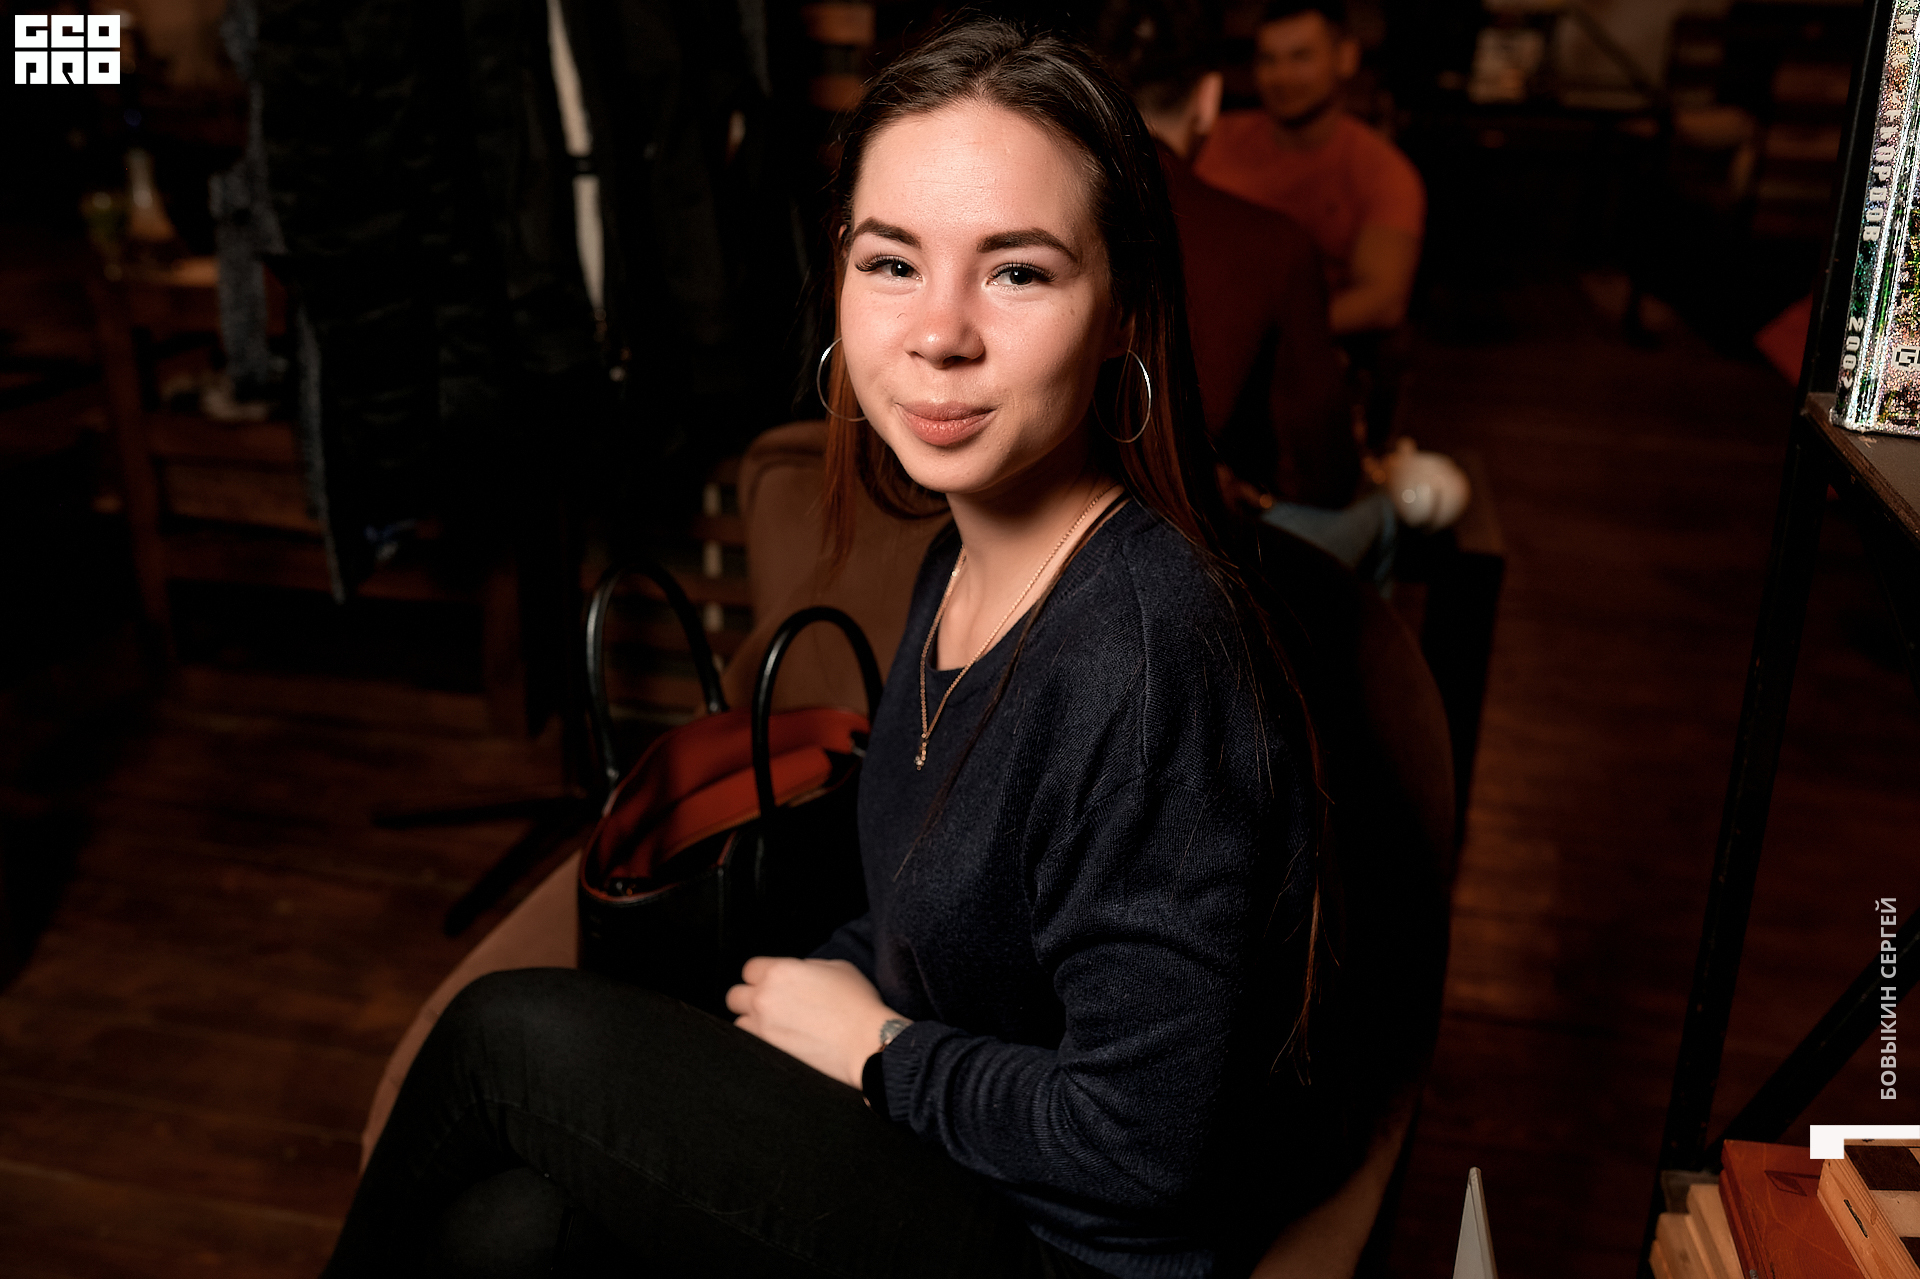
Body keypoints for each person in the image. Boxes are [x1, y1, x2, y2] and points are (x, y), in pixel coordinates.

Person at [321, 19, 1353, 1279]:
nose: (938, 332)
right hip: (947, 1158)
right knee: (511, 1232)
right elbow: (938, 929)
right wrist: (760, 1031)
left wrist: (876, 1050)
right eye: (892, 262)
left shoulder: (1146, 660)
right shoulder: (956, 560)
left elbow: (1148, 1148)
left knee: (508, 1032)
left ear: (1123, 312)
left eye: (1017, 273)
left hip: (1068, 1249)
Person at [1100, 0, 1356, 511]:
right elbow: (1322, 473)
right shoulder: (1272, 240)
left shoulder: (1038, 210)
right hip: (1183, 514)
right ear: (1208, 97)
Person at [1192, 0, 1424, 338]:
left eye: (1301, 57)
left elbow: (1384, 301)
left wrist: (1267, 331)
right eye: (1268, 60)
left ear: (1345, 58)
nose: (1281, 77)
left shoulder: (1383, 172)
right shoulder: (1212, 138)